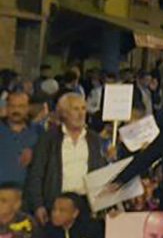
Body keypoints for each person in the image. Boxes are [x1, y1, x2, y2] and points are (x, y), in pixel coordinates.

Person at [25, 93, 105, 224]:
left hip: (86, 203)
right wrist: (38, 205)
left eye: (83, 108)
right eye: (75, 109)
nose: (81, 114)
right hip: (57, 203)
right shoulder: (48, 139)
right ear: (64, 113)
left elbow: (100, 171)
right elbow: (36, 173)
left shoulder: (94, 139)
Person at [0, 92, 41, 186]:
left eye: (21, 106)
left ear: (28, 108)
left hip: (28, 193)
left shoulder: (39, 131)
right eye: (12, 106)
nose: (16, 110)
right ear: (6, 107)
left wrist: (35, 153)